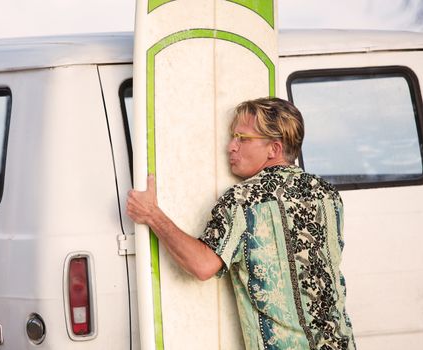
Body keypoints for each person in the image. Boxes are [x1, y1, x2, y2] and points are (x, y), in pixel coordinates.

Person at [127, 97, 356, 350]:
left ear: (274, 149)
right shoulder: (327, 194)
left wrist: (152, 215)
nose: (230, 147)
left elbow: (202, 265)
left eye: (242, 138)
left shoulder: (243, 199)